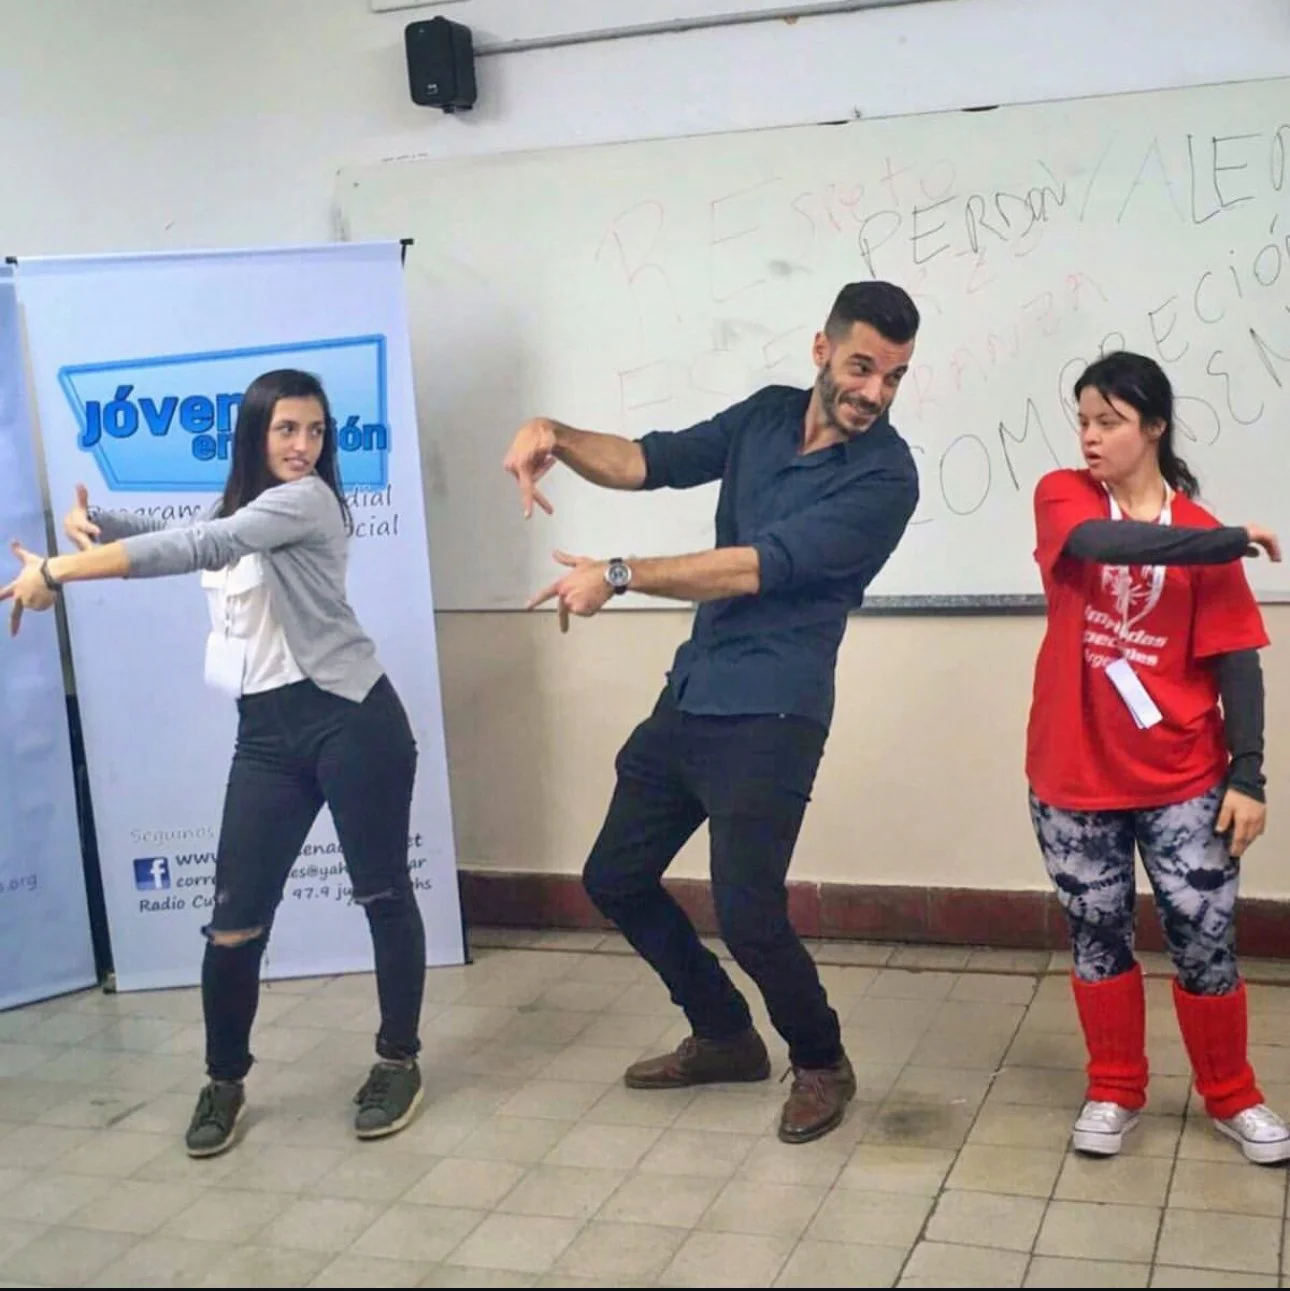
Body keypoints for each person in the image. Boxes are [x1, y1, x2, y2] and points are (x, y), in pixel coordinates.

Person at [501, 282, 921, 1144]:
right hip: (695, 691)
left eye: (894, 376)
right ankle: (726, 1033)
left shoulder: (887, 476)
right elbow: (647, 460)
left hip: (776, 712)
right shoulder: (766, 415)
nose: (874, 391)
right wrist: (555, 434)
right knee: (614, 876)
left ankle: (820, 1058)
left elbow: (754, 567)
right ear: (821, 349)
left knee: (749, 911)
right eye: (862, 366)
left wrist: (619, 573)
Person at [2, 369, 426, 1158]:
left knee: (382, 893)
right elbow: (198, 529)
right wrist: (92, 524)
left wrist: (58, 571)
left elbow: (204, 541)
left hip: (350, 720)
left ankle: (398, 1059)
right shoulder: (248, 507)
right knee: (233, 923)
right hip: (267, 735)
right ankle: (224, 1079)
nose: (304, 447)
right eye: (287, 430)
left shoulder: (307, 502)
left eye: (316, 432)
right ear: (256, 435)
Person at [1026, 349, 1290, 1164]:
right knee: (1096, 935)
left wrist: (1249, 774)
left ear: (1154, 427)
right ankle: (1114, 1088)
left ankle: (1232, 1095)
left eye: (1109, 421)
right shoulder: (1064, 494)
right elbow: (1099, 539)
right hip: (1074, 775)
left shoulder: (1203, 533)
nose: (1091, 436)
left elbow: (1237, 660)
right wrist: (1218, 545)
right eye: (1084, 420)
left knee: (1206, 939)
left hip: (1185, 778)